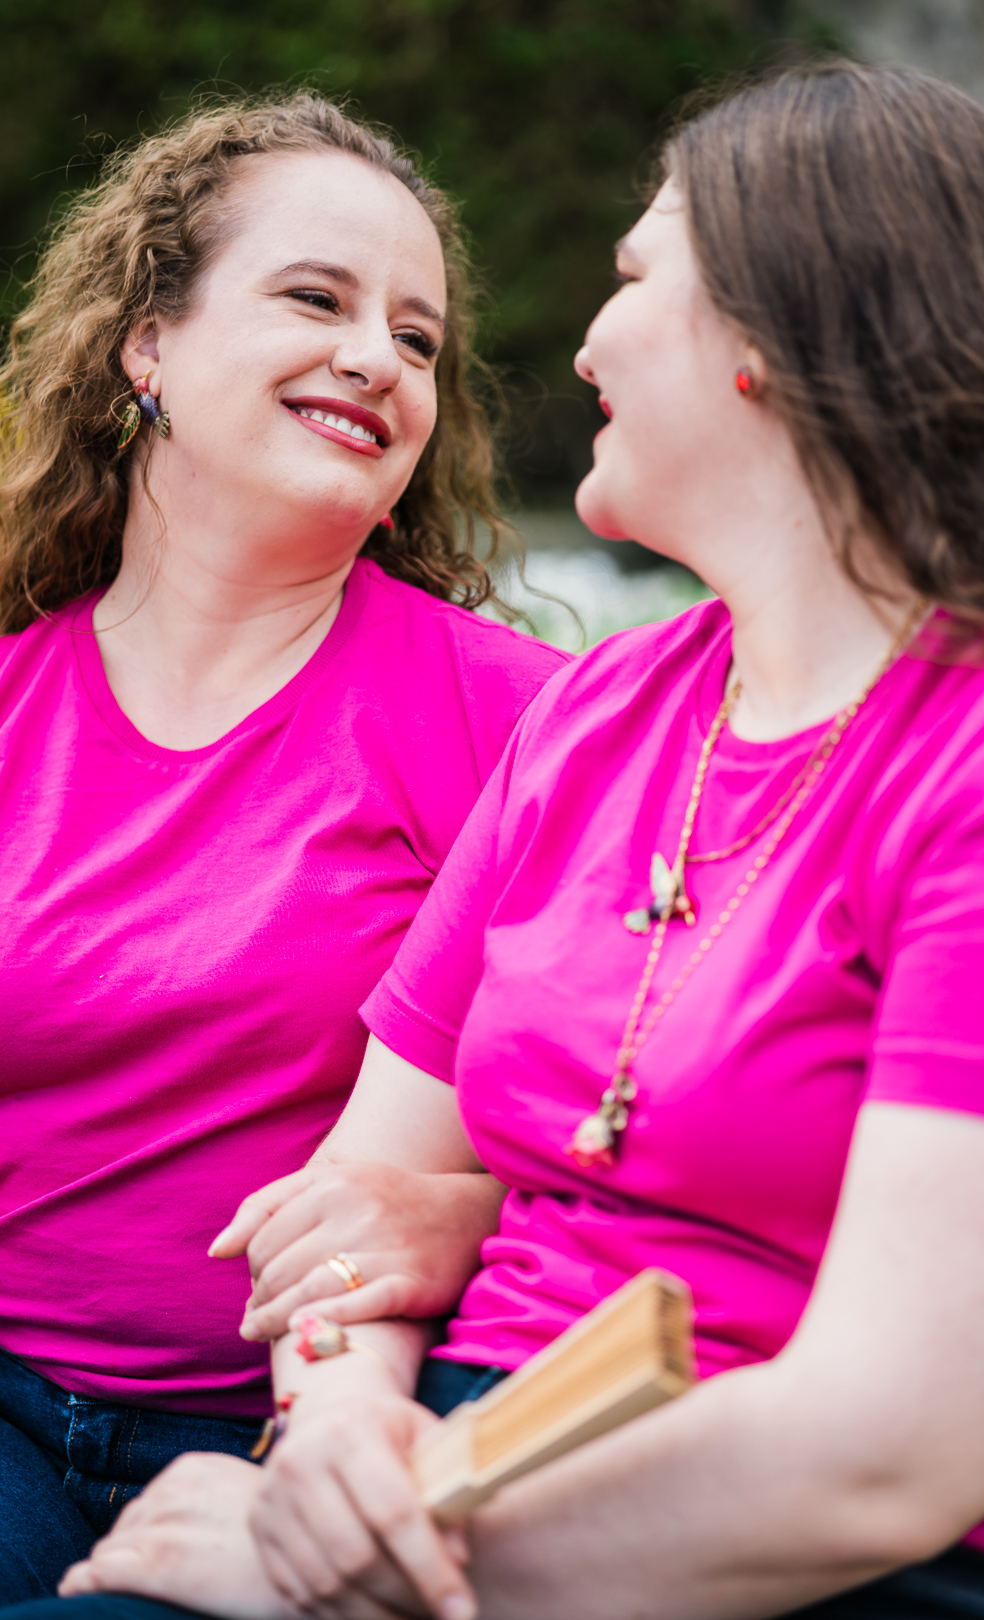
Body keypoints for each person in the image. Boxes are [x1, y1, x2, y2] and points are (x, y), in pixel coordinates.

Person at [37, 59, 984, 1620]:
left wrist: (357, 1567)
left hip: (787, 1548)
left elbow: (888, 1451)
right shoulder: (608, 716)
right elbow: (357, 1204)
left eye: (632, 277)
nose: (582, 342)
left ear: (772, 337)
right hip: (439, 1460)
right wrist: (332, 1447)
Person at [0, 91, 567, 1603]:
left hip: (321, 1425)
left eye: (418, 336)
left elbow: (662, 1104)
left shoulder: (531, 723)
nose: (379, 356)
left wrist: (469, 1209)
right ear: (149, 345)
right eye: (317, 298)